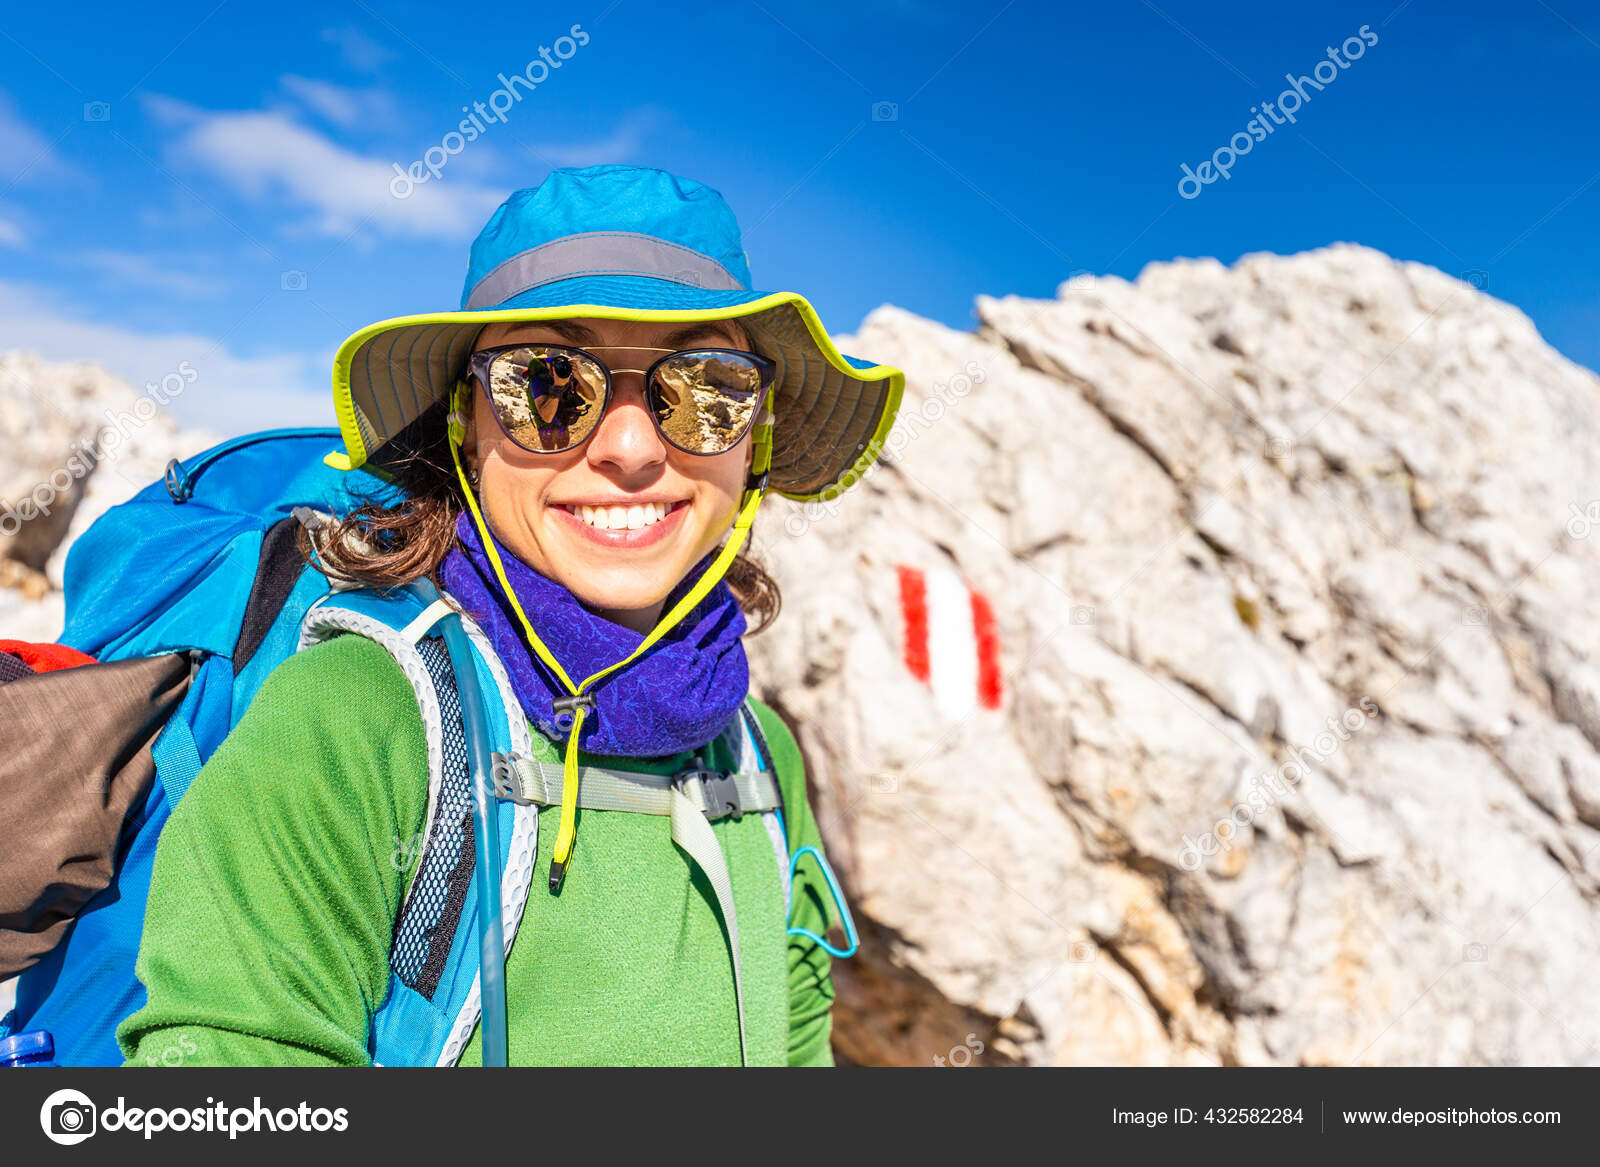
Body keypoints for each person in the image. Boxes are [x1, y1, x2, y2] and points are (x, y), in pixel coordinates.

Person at [115, 164, 903, 1066]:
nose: (633, 448)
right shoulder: (352, 721)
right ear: (465, 432)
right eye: (550, 384)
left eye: (706, 388)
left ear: (754, 441)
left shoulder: (761, 751)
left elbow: (796, 1042)